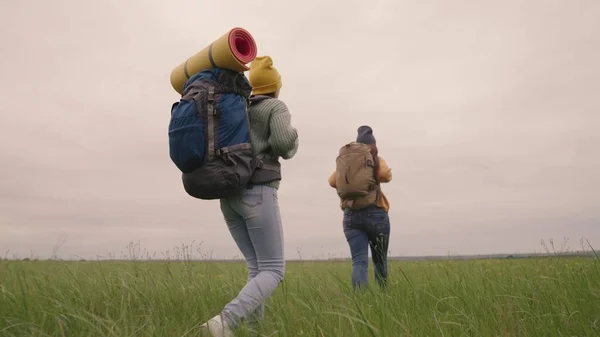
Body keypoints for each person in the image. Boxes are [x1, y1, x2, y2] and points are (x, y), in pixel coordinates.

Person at [199, 56, 299, 337]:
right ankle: (224, 321)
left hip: (228, 194)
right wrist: (295, 138)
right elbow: (281, 142)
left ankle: (256, 330)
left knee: (257, 268)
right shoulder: (275, 106)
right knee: (274, 269)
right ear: (275, 86)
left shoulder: (238, 106)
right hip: (258, 191)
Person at [328, 126, 392, 289]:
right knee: (380, 260)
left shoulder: (347, 162)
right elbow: (385, 175)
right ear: (374, 144)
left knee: (359, 262)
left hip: (351, 216)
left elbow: (332, 181)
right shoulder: (375, 158)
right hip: (376, 213)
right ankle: (383, 298)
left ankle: (361, 301)